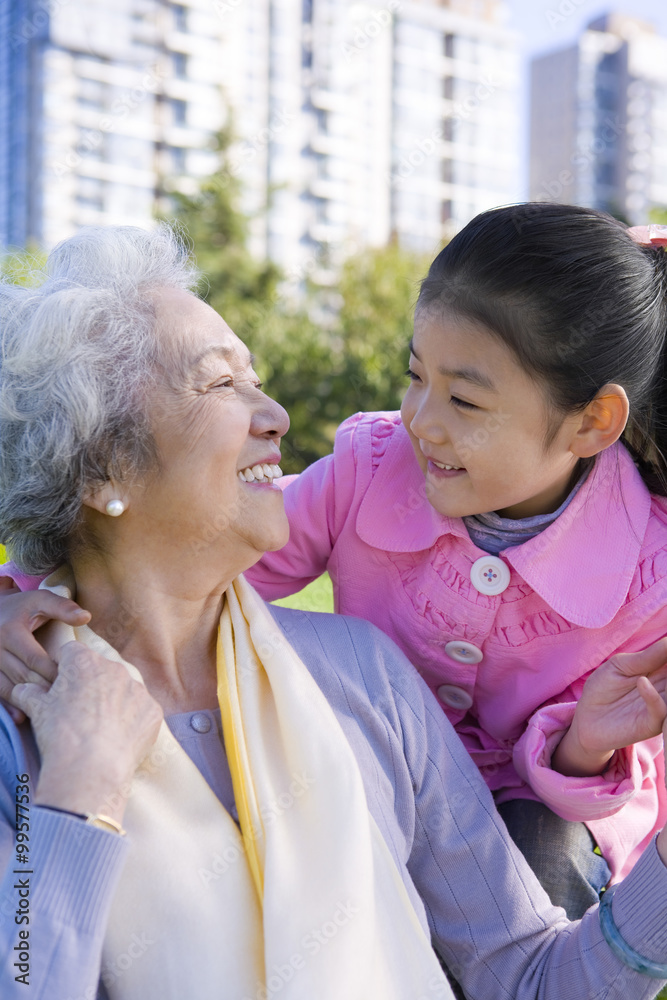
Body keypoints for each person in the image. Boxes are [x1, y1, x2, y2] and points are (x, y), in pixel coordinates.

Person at [1, 224, 667, 1000]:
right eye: (221, 385)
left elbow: (532, 979)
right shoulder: (23, 736)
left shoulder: (366, 676)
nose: (277, 414)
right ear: (101, 461)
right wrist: (77, 800)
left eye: (258, 382)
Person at [239, 204, 667, 919]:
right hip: (374, 770)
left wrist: (584, 746)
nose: (420, 418)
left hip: (537, 804)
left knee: (538, 864)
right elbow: (218, 553)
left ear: (591, 422)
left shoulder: (647, 573)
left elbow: (592, 776)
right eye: (416, 376)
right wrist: (38, 591)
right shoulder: (371, 468)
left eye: (465, 399)